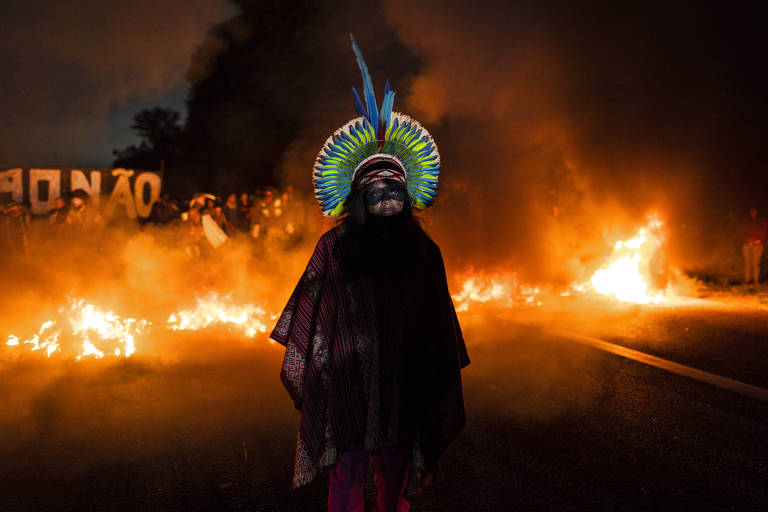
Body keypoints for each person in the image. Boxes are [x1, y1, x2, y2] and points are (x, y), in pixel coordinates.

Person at [270, 35, 469, 512]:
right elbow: (310, 314)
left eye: (395, 192)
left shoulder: (424, 250)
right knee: (348, 474)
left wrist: (431, 365)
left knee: (396, 476)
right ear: (358, 198)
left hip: (406, 378)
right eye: (376, 192)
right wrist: (320, 369)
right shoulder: (333, 247)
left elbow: (439, 318)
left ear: (408, 197)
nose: (386, 200)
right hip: (348, 382)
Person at [741, 207, 768, 285]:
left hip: (758, 245)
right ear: (750, 212)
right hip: (747, 245)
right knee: (747, 264)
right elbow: (742, 232)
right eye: (752, 211)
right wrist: (747, 240)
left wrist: (758, 240)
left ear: (757, 212)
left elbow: (764, 232)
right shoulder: (746, 221)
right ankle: (747, 280)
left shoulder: (762, 221)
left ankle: (756, 281)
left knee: (756, 264)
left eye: (755, 211)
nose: (753, 213)